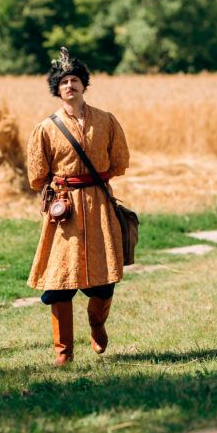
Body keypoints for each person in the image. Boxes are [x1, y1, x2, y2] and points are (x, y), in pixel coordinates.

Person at [27, 49, 130, 366]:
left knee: (104, 280)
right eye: (63, 82)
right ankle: (64, 351)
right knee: (59, 282)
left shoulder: (106, 120)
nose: (69, 85)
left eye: (74, 80)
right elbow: (36, 175)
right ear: (57, 90)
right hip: (64, 210)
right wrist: (63, 189)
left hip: (99, 205)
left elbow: (120, 162)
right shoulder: (46, 128)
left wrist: (92, 183)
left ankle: (97, 324)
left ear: (83, 84)